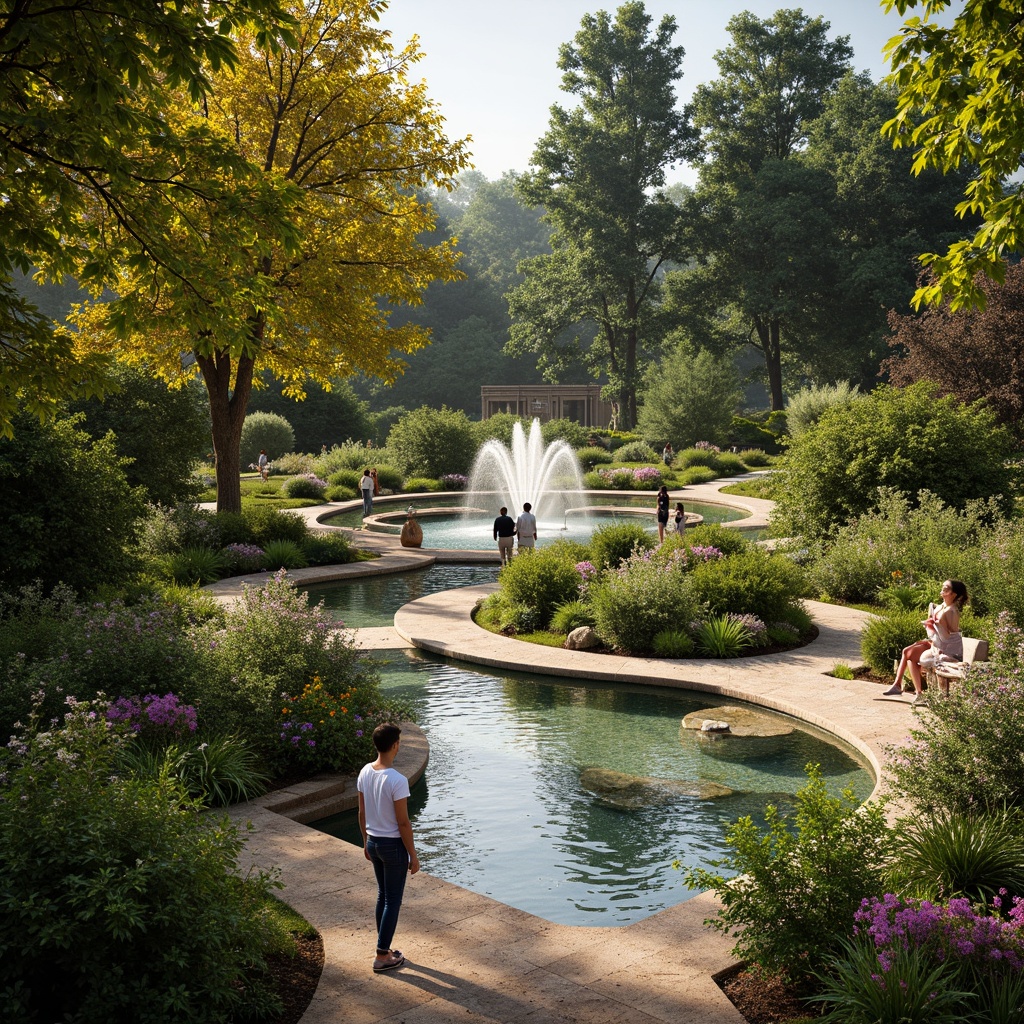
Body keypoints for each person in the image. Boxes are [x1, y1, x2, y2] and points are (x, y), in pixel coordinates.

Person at [357, 723, 419, 973]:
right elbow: (403, 822)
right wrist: (413, 855)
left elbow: (361, 812)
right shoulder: (397, 780)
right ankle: (382, 955)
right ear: (395, 746)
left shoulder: (364, 772)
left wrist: (365, 842)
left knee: (383, 896)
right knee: (392, 900)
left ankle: (384, 948)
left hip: (373, 841)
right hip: (393, 846)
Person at [883, 579, 968, 704]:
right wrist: (931, 625)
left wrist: (933, 626)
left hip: (947, 650)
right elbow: (938, 631)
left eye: (946, 589)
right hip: (935, 643)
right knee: (908, 653)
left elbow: (948, 637)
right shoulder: (941, 607)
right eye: (943, 588)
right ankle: (909, 689)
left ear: (953, 594)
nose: (942, 590)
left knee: (911, 655)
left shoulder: (951, 611)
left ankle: (906, 688)